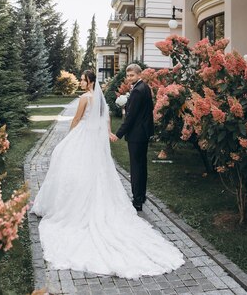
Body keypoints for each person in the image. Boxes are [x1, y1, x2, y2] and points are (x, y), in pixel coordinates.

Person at [31, 69, 184, 279]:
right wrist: (108, 134)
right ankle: (118, 199)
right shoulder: (102, 101)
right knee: (97, 172)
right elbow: (106, 121)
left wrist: (69, 138)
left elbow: (75, 120)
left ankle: (75, 205)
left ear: (89, 82)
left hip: (84, 137)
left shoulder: (85, 98)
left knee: (75, 168)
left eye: (83, 80)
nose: (82, 83)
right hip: (95, 140)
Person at [110, 63, 154, 211]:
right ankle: (141, 195)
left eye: (132, 75)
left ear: (139, 75)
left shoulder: (137, 91)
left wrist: (118, 134)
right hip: (144, 133)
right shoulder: (145, 88)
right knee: (142, 166)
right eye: (128, 76)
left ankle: (137, 201)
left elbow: (130, 117)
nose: (129, 78)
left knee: (136, 168)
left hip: (137, 134)